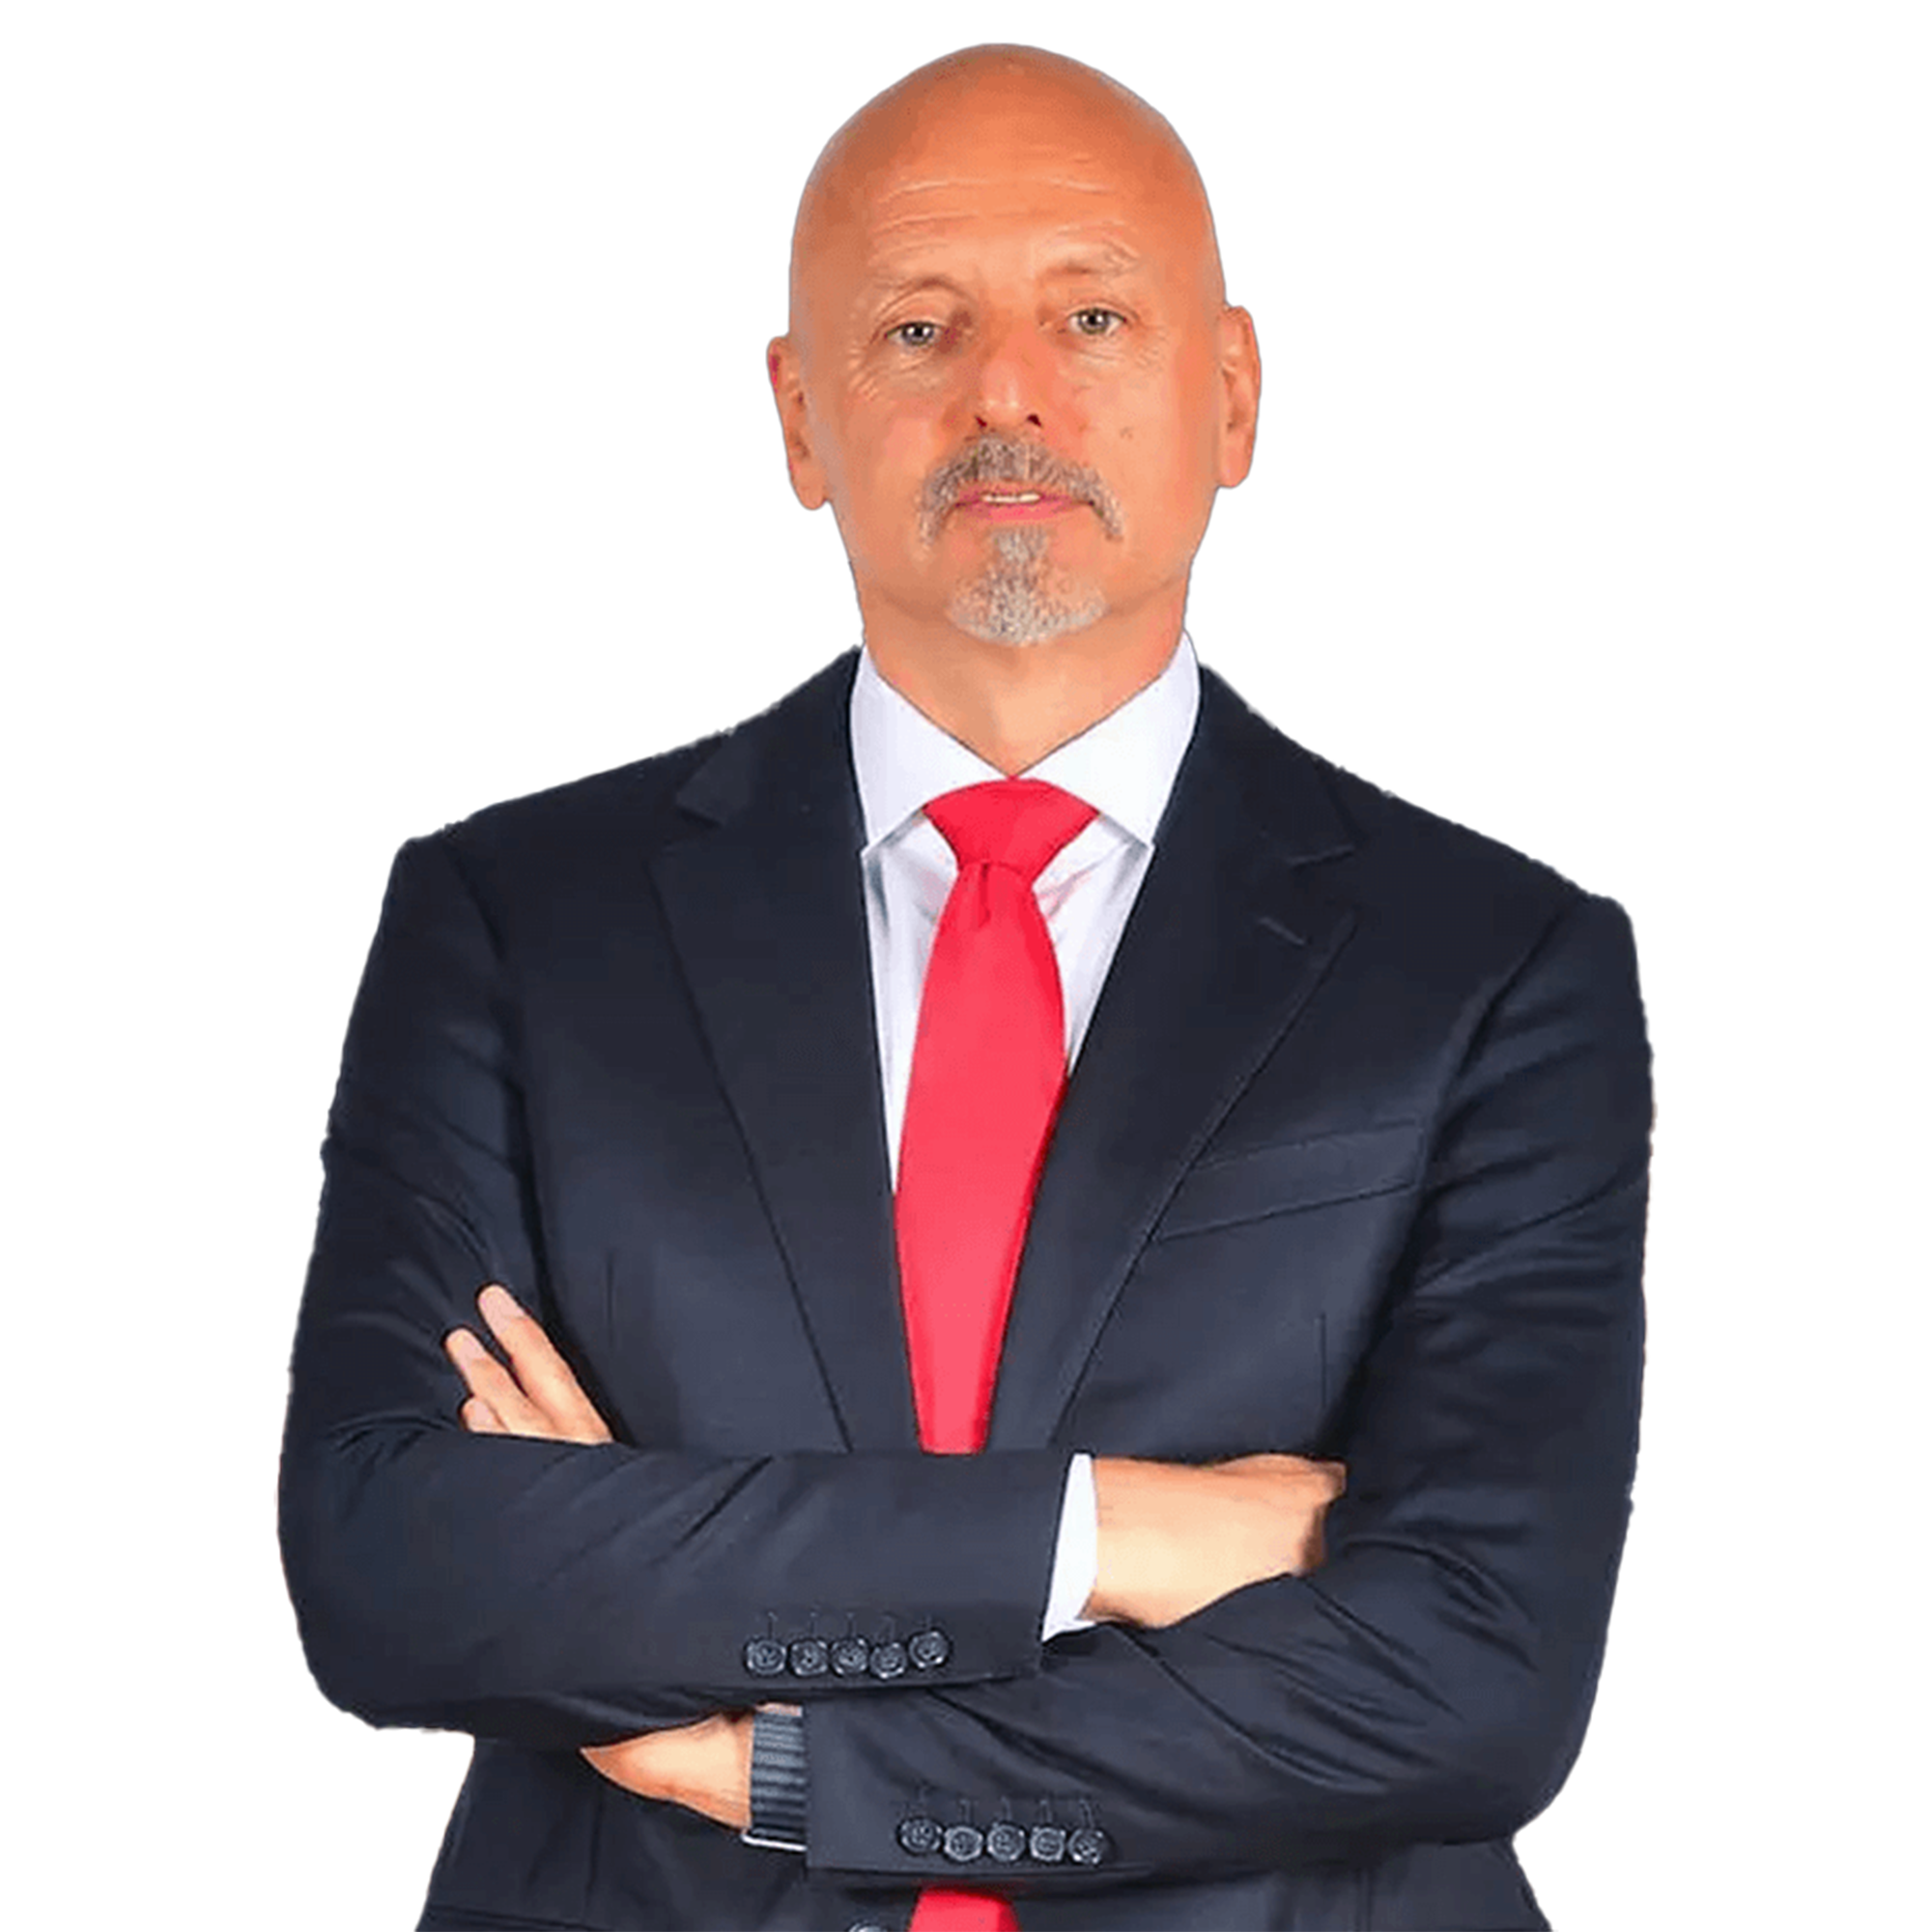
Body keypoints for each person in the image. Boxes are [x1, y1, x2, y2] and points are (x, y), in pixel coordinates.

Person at [277, 40, 1653, 1932]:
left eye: (1091, 316)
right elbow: (393, 1569)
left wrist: (787, 1767)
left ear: (1231, 393)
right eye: (918, 330)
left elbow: (1476, 1675)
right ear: (798, 417)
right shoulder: (515, 922)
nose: (1007, 390)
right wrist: (1113, 1529)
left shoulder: (1498, 964)